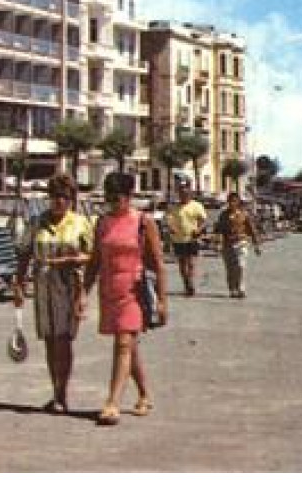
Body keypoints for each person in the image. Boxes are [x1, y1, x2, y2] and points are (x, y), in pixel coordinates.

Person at [83, 171, 166, 426]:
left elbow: (158, 264)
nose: (112, 202)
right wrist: (83, 292)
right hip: (110, 290)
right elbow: (95, 260)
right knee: (129, 346)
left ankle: (112, 402)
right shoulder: (103, 223)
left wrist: (162, 301)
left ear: (129, 196)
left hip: (134, 290)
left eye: (117, 197)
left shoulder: (143, 222)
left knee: (122, 344)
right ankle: (144, 393)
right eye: (108, 198)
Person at [13, 173, 91, 414]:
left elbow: (93, 255)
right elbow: (24, 252)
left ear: (72, 200)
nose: (59, 202)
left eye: (64, 197)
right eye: (55, 196)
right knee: (49, 340)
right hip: (43, 285)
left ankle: (62, 393)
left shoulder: (81, 223)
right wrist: (18, 283)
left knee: (64, 340)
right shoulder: (37, 222)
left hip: (69, 287)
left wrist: (72, 259)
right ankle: (55, 390)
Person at [164, 181, 208, 296]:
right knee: (182, 264)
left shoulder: (197, 206)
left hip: (192, 238)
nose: (183, 195)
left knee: (192, 263)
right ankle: (186, 283)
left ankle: (191, 283)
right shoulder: (174, 207)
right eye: (181, 193)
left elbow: (203, 221)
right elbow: (168, 220)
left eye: (185, 192)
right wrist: (171, 227)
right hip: (178, 239)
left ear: (190, 193)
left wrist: (199, 230)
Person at [214, 192, 261, 298]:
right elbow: (218, 230)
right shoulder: (223, 215)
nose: (232, 203)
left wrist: (256, 245)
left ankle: (241, 288)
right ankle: (232, 289)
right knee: (230, 268)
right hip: (227, 244)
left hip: (241, 242)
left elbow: (251, 229)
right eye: (230, 201)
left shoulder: (244, 214)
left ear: (238, 202)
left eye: (234, 201)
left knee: (240, 266)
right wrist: (217, 243)